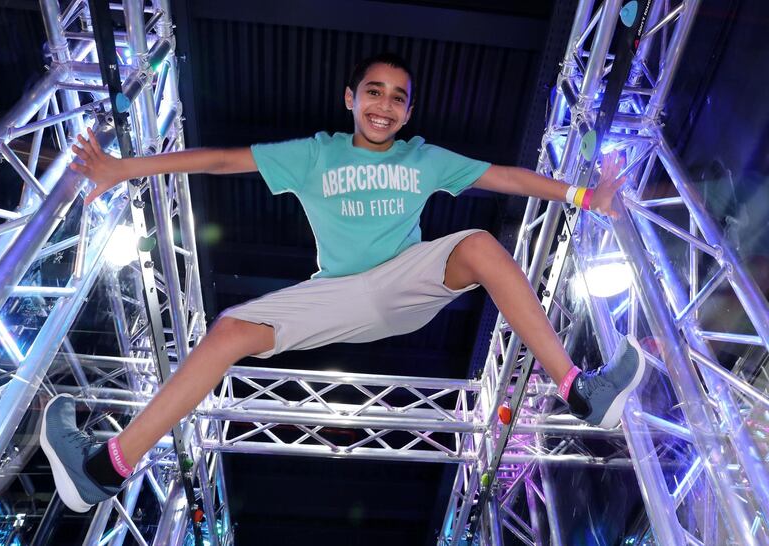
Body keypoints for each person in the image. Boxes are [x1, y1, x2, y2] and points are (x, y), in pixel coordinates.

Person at [40, 52, 645, 513]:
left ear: (409, 112)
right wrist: (126, 169)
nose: (385, 105)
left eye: (399, 99)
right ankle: (106, 468)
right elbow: (222, 160)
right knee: (227, 333)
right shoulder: (316, 154)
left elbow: (506, 178)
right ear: (350, 98)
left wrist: (585, 196)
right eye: (374, 92)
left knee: (482, 246)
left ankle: (579, 391)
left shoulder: (422, 158)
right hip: (338, 293)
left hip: (409, 281)